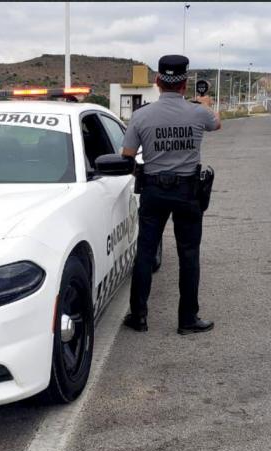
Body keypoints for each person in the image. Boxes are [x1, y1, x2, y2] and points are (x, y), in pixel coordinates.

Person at [121, 54, 221, 335]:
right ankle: (187, 319)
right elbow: (217, 124)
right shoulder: (198, 112)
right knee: (189, 254)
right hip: (188, 191)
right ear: (185, 84)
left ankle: (138, 316)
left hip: (153, 190)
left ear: (157, 81)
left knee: (145, 252)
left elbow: (128, 155)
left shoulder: (141, 115)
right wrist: (206, 104)